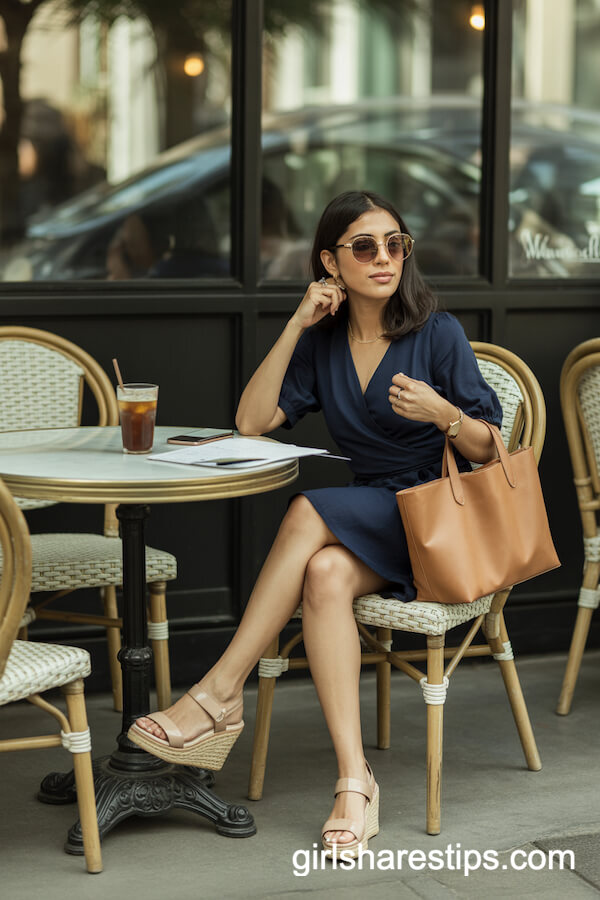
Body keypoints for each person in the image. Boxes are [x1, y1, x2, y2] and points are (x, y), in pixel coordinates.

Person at [128, 189, 502, 857]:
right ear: (330, 261)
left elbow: (487, 447)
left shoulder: (434, 333)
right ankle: (355, 784)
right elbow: (251, 421)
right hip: (372, 519)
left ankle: (219, 693)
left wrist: (440, 412)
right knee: (325, 575)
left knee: (306, 508)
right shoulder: (325, 343)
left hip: (435, 521)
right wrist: (296, 324)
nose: (384, 258)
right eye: (365, 247)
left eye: (395, 244)